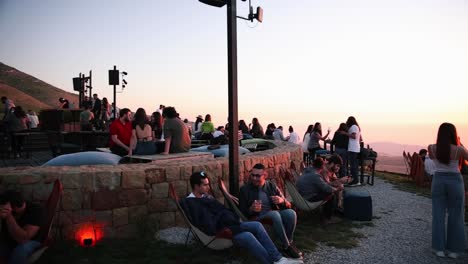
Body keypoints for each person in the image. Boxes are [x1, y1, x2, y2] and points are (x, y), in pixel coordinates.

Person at [184, 172, 302, 264]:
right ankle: (270, 262)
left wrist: (228, 215)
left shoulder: (206, 197)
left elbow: (220, 210)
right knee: (248, 236)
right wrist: (225, 217)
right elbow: (207, 223)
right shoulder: (192, 203)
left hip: (230, 224)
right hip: (221, 231)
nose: (208, 187)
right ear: (196, 186)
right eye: (205, 185)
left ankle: (278, 258)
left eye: (208, 184)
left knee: (257, 225)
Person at [239, 163, 303, 259]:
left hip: (273, 212)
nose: (254, 178)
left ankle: (289, 242)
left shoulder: (271, 186)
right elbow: (243, 212)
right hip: (258, 216)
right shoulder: (245, 190)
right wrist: (251, 209)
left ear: (265, 176)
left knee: (291, 213)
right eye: (252, 175)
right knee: (275, 214)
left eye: (258, 176)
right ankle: (287, 246)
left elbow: (287, 205)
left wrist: (282, 201)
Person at [428, 123, 468, 259]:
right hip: (455, 181)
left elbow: (436, 160)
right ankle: (454, 250)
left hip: (438, 180)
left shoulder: (431, 148)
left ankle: (438, 248)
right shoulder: (459, 150)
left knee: (438, 215)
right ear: (453, 134)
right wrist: (460, 144)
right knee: (456, 215)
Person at [0, 190, 43, 264]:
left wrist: (8, 215)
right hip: (8, 241)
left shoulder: (36, 211)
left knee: (20, 250)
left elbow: (23, 239)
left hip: (31, 242)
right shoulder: (6, 208)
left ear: (14, 208)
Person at [296, 158, 343, 225]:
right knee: (331, 194)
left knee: (327, 192)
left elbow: (322, 185)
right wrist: (337, 189)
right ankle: (327, 218)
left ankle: (327, 214)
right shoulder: (315, 175)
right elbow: (327, 189)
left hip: (302, 195)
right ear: (321, 167)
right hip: (309, 197)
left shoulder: (307, 170)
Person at [345, 116, 362, 186]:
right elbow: (360, 138)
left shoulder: (354, 127)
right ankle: (355, 180)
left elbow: (354, 136)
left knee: (353, 166)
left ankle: (355, 181)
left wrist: (345, 134)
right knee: (354, 165)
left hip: (353, 148)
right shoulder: (356, 127)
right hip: (354, 148)